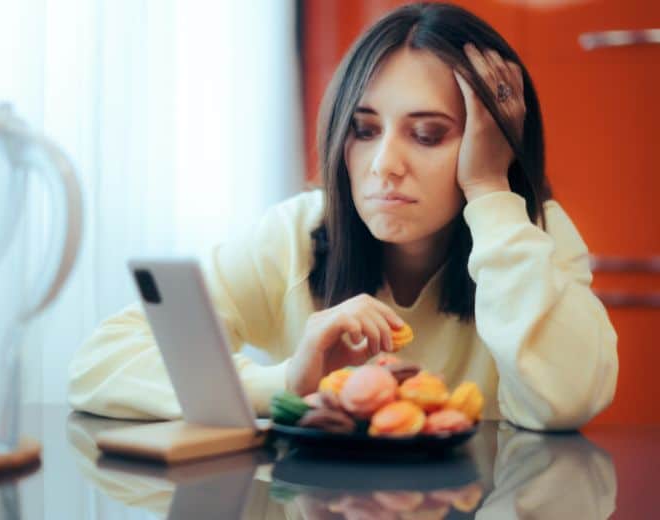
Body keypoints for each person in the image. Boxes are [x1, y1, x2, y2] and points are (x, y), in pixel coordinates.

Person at [68, 2, 618, 431]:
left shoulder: (531, 234)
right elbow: (100, 364)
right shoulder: (298, 234)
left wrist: (489, 189)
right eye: (364, 130)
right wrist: (288, 383)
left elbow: (566, 401)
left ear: (489, 144)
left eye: (427, 135)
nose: (385, 166)